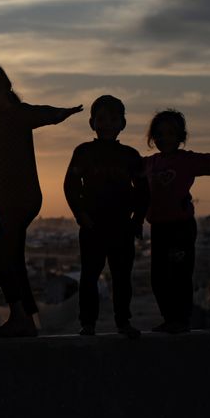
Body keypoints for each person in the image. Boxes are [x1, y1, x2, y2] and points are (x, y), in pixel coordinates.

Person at [0, 62, 83, 338]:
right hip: (9, 204)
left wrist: (61, 113)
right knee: (10, 258)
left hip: (22, 200)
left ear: (3, 90)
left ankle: (22, 315)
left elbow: (39, 114)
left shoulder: (16, 115)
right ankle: (24, 318)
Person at [143, 109, 210, 334]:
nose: (164, 138)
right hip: (159, 229)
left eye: (170, 133)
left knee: (179, 275)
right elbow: (127, 170)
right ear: (153, 138)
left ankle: (181, 320)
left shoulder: (187, 161)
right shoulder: (149, 164)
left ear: (180, 137)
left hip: (180, 228)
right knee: (159, 278)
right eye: (159, 134)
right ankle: (169, 318)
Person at [63, 95, 148, 339]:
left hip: (121, 226)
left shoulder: (130, 156)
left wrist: (137, 220)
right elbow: (70, 186)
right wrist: (81, 216)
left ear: (123, 123)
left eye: (113, 119)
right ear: (92, 123)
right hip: (92, 226)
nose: (107, 124)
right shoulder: (84, 152)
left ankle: (123, 322)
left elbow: (143, 191)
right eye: (101, 119)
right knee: (89, 275)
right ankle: (88, 323)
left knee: (122, 277)